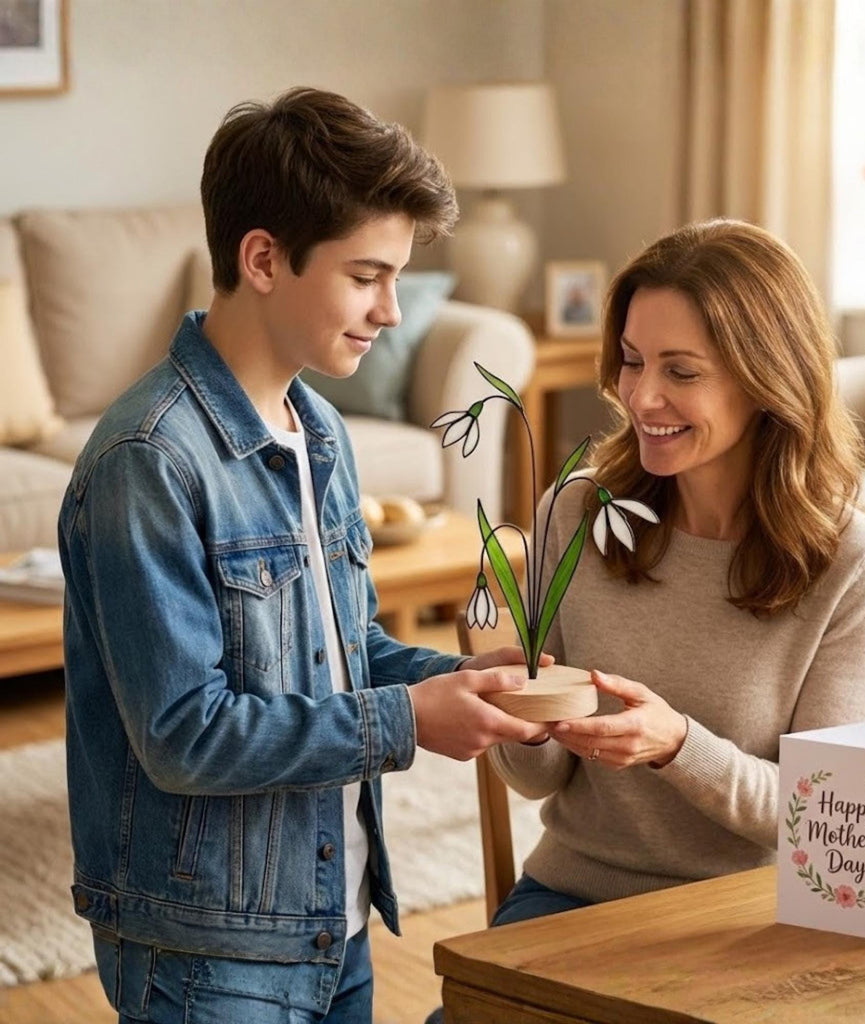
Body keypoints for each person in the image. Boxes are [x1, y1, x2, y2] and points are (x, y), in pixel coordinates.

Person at [58, 87, 547, 1024]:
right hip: (211, 957)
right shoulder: (147, 462)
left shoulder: (317, 429)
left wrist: (471, 682)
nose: (392, 311)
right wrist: (409, 721)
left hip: (336, 923)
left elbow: (343, 651)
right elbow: (184, 735)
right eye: (367, 276)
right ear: (264, 258)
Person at [488, 219, 865, 925]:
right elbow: (540, 782)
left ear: (767, 380)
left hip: (752, 917)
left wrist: (678, 746)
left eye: (681, 371)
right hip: (574, 893)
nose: (641, 397)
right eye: (631, 360)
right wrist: (521, 718)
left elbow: (837, 827)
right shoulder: (578, 511)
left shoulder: (854, 561)